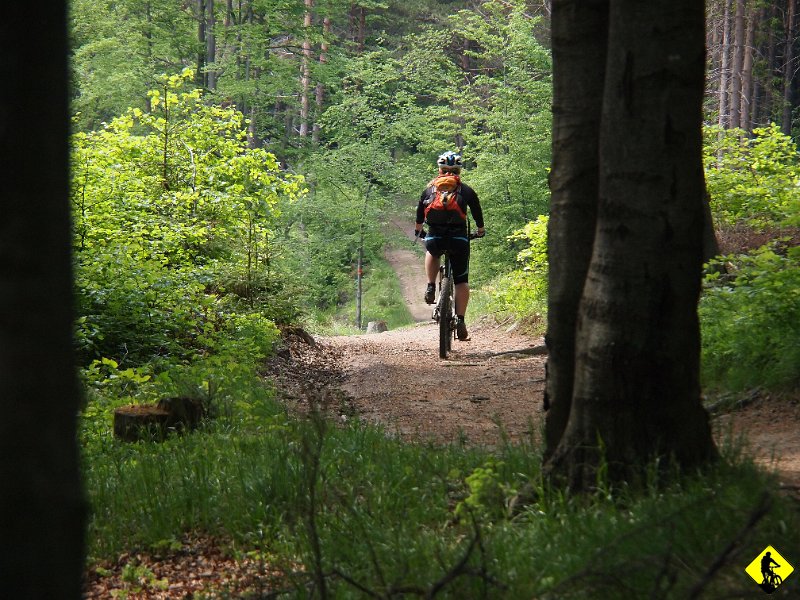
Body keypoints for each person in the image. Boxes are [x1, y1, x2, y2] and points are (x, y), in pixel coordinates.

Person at [414, 151, 485, 341]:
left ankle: (430, 286)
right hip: (459, 239)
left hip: (435, 237)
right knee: (461, 281)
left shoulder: (429, 189)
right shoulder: (465, 190)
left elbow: (420, 212)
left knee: (431, 251)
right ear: (458, 171)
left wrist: (418, 231)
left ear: (440, 169)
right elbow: (476, 210)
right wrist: (480, 230)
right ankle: (460, 320)